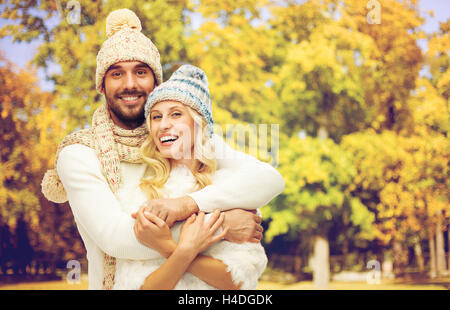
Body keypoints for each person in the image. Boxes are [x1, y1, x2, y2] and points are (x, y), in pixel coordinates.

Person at [41, 8, 284, 290]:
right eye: (116, 73)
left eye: (141, 72)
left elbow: (269, 179)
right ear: (102, 86)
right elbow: (117, 238)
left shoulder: (181, 141)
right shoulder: (80, 154)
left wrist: (188, 205)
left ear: (155, 82)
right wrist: (223, 225)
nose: (130, 84)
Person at [113, 64, 269, 290]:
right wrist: (187, 247)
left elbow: (237, 281)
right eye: (156, 117)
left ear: (199, 123)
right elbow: (138, 286)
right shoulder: (140, 193)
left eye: (176, 114)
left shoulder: (231, 189)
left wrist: (168, 247)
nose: (164, 125)